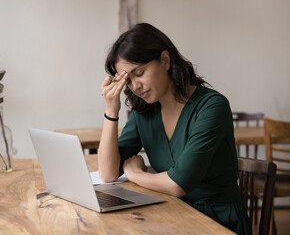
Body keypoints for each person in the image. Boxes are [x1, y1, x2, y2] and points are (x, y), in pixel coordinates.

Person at [98, 23, 251, 234]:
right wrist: (111, 110)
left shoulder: (212, 106)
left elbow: (177, 184)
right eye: (128, 81)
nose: (135, 86)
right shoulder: (144, 111)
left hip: (217, 222)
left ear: (164, 60)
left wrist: (134, 173)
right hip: (172, 214)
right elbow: (107, 174)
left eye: (139, 73)